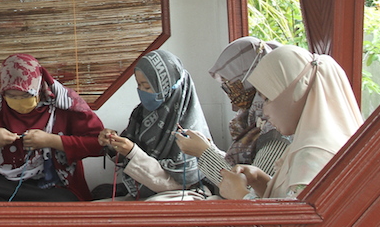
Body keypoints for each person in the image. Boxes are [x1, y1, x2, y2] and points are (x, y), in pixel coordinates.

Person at [0, 53, 104, 202]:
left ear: (39, 88)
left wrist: (52, 141)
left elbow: (99, 145)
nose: (19, 101)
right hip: (10, 182)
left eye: (26, 95)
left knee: (63, 208)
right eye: (12, 96)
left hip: (56, 185)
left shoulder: (64, 105)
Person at [221, 45, 362, 199]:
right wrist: (260, 180)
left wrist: (241, 196)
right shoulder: (310, 142)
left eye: (267, 99)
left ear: (296, 93)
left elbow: (298, 214)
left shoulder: (314, 153)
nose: (265, 112)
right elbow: (289, 198)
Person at [174, 37, 290, 194]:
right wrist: (208, 149)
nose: (228, 91)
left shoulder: (277, 130)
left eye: (231, 83)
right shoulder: (250, 120)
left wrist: (204, 152)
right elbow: (240, 170)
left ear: (251, 78)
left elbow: (249, 191)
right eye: (224, 84)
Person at [100, 49, 211, 200]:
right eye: (139, 85)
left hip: (184, 193)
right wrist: (113, 145)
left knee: (150, 207)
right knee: (96, 206)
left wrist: (133, 152)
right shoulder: (140, 114)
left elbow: (178, 183)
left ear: (166, 86)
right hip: (146, 191)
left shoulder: (188, 126)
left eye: (147, 87)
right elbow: (126, 156)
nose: (141, 91)